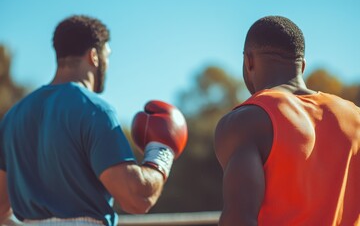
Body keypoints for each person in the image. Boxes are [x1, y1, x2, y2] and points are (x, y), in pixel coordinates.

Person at [0, 15, 188, 226]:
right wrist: (162, 152)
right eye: (107, 55)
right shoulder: (94, 109)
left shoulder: (13, 117)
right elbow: (136, 198)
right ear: (94, 56)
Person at [214, 16, 360, 225]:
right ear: (302, 66)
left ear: (249, 61)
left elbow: (239, 219)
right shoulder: (355, 117)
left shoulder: (247, 120)